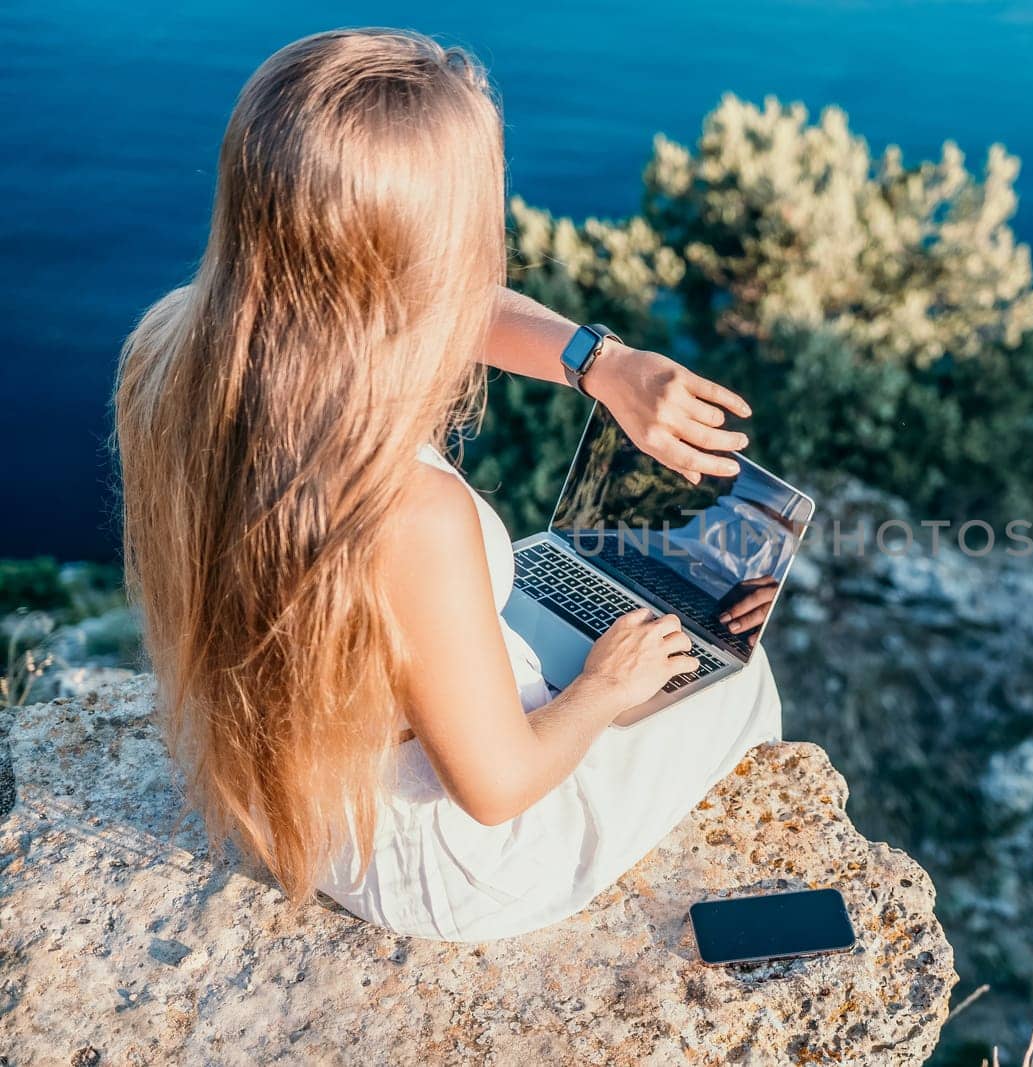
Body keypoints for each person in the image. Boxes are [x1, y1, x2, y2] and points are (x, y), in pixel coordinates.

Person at [114, 28, 782, 940]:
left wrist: (603, 364)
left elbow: (429, 305)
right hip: (443, 861)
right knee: (736, 678)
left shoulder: (169, 350)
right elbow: (498, 787)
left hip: (290, 794)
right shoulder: (408, 514)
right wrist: (602, 688)